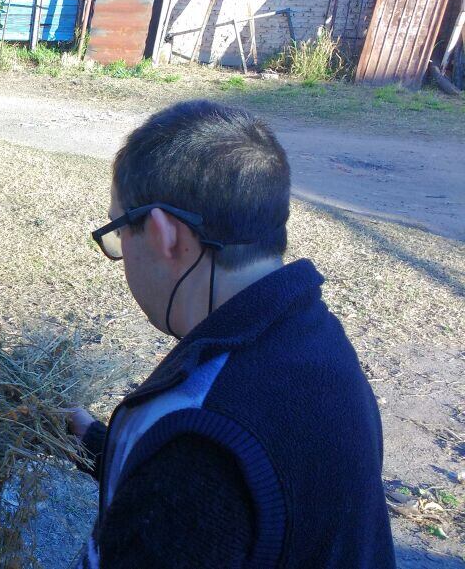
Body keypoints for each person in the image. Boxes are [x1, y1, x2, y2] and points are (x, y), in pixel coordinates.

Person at [67, 100, 395, 568]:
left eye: (119, 231)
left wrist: (169, 467)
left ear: (165, 234)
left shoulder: (202, 443)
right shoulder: (310, 337)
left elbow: (197, 490)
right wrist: (97, 443)